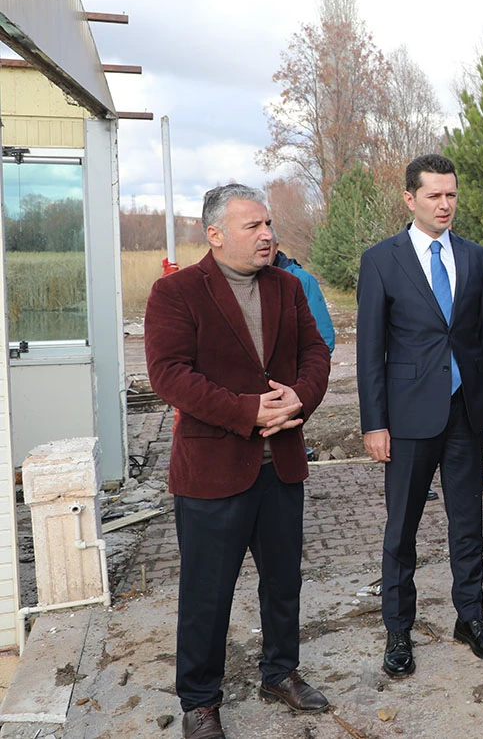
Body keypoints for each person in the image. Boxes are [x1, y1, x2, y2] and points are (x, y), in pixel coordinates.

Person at [145, 184, 332, 739]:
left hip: (282, 465)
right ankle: (200, 701)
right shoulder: (176, 292)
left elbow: (317, 352)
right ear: (216, 234)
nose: (268, 235)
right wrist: (248, 412)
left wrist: (300, 398)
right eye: (253, 226)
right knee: (207, 591)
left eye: (268, 224)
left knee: (283, 582)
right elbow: (169, 374)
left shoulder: (288, 287)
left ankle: (280, 672)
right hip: (212, 471)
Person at [356, 153, 483, 679]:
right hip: (406, 419)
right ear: (410, 199)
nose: (445, 205)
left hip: (466, 413)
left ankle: (470, 618)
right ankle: (398, 630)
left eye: (451, 195)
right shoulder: (382, 260)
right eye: (434, 196)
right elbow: (370, 351)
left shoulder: (474, 256)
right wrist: (373, 423)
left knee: (467, 525)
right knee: (401, 529)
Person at [270, 232, 335, 353]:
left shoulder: (302, 280)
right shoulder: (238, 280)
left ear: (276, 248)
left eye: (267, 247)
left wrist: (314, 370)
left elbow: (323, 335)